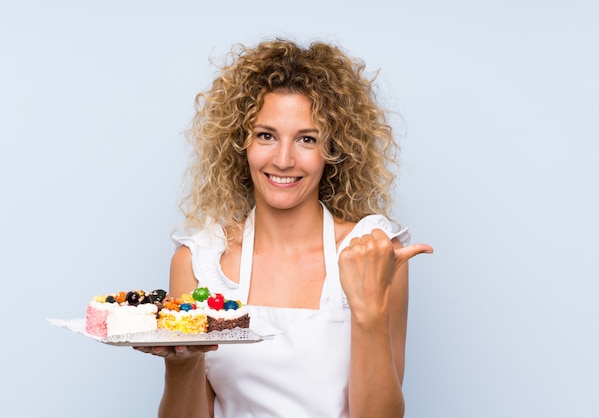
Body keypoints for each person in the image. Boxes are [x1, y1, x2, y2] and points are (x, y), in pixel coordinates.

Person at [135, 39, 433, 418]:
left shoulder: (369, 252)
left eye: (307, 139)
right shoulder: (199, 262)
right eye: (266, 135)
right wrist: (181, 362)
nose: (283, 159)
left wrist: (369, 310)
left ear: (334, 148)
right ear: (240, 143)